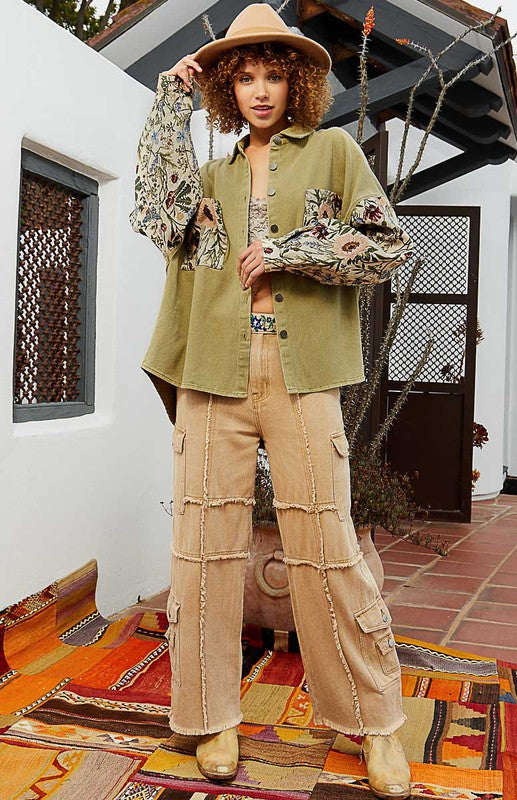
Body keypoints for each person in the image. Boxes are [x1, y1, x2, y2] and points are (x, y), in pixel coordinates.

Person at [129, 4, 414, 798]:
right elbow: (155, 216)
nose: (259, 91)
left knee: (327, 547)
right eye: (245, 77)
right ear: (226, 87)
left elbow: (387, 245)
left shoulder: (332, 151)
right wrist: (169, 105)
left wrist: (289, 252)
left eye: (273, 76)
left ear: (296, 85)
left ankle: (375, 723)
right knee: (203, 552)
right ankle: (210, 716)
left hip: (301, 371)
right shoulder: (211, 172)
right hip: (210, 373)